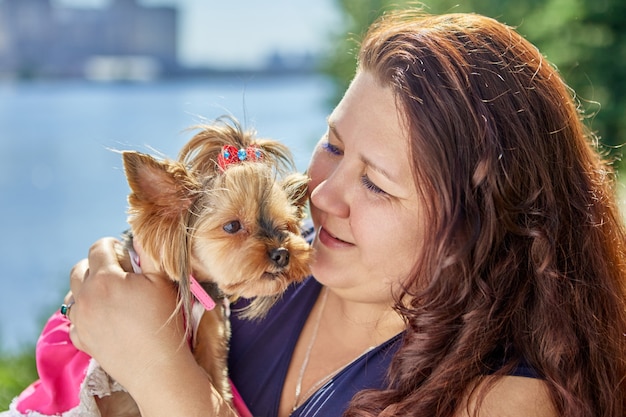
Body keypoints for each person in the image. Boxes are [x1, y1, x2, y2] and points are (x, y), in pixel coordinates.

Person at [62, 8, 626, 417]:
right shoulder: (273, 267)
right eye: (332, 144)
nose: (321, 194)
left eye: (376, 185)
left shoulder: (501, 400)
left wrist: (153, 361)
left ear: (475, 222)